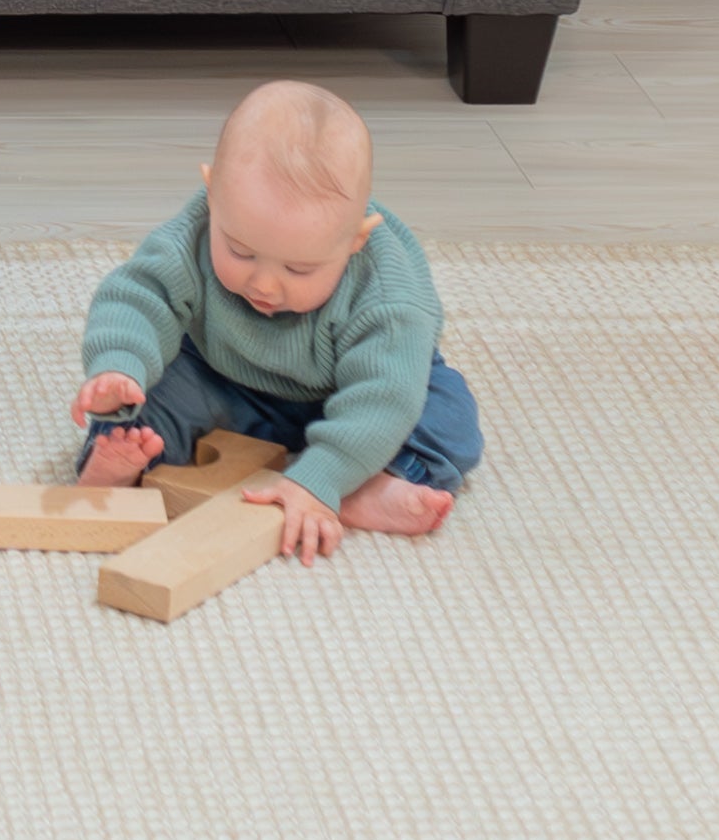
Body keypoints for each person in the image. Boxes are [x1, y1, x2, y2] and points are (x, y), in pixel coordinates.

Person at [72, 77, 482, 555]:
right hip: (221, 376)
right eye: (240, 252)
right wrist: (120, 365)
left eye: (299, 268)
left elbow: (385, 396)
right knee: (144, 400)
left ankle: (362, 485)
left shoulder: (389, 297)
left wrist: (321, 479)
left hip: (354, 390)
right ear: (212, 198)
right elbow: (139, 296)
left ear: (356, 241)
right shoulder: (193, 233)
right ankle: (120, 466)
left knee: (449, 418)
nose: (264, 285)